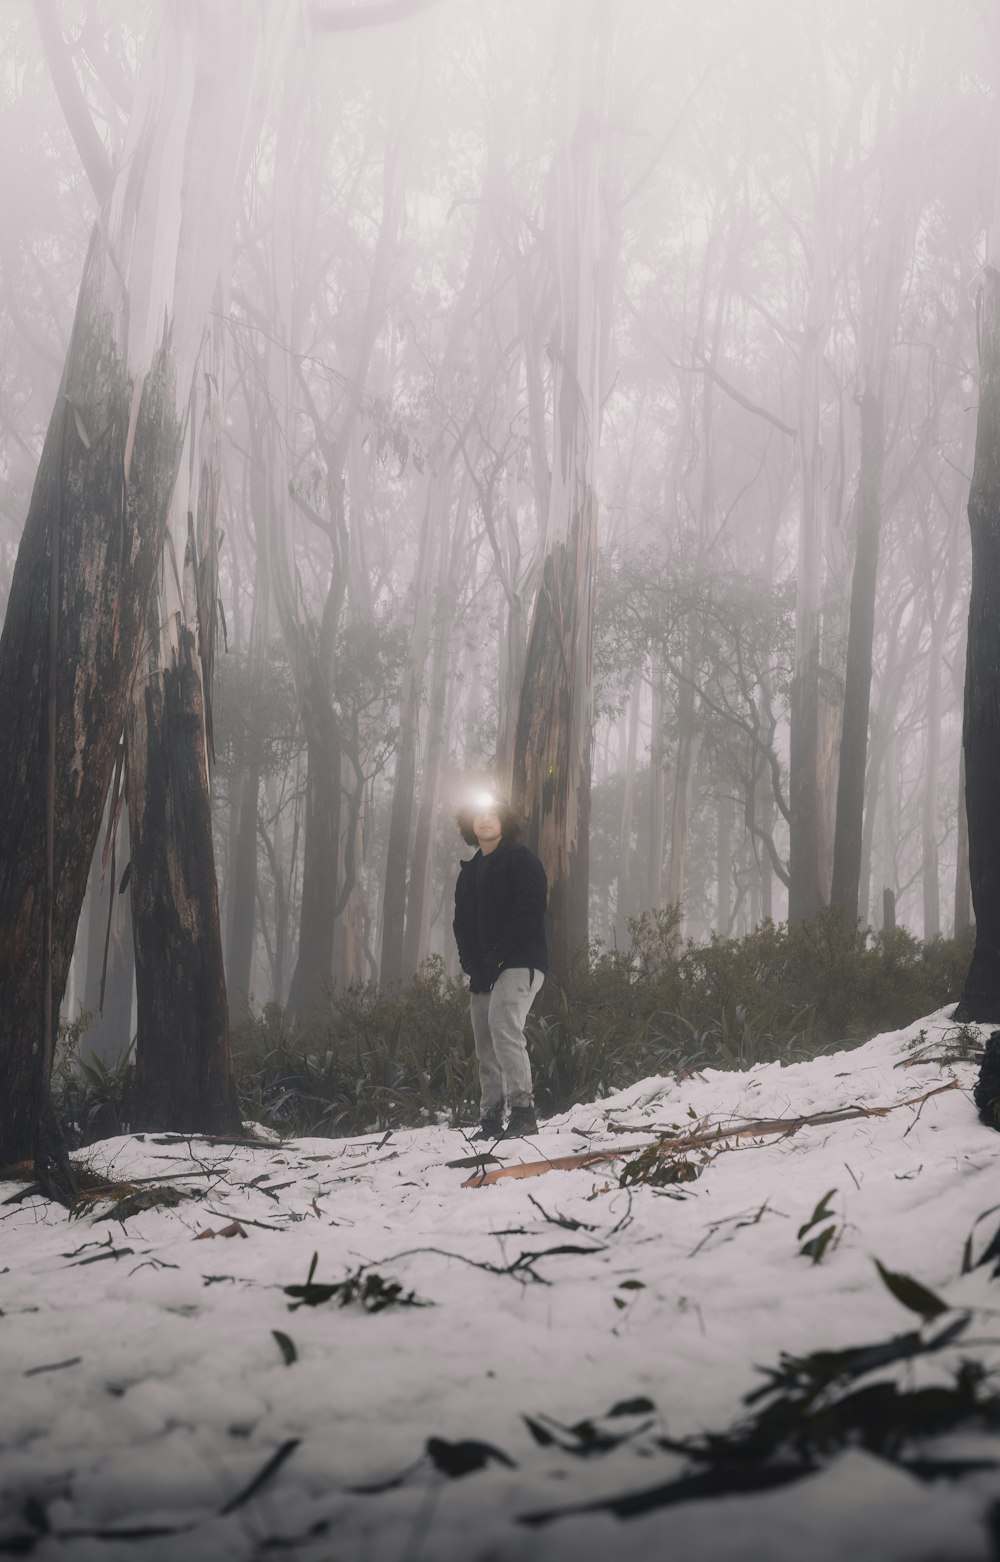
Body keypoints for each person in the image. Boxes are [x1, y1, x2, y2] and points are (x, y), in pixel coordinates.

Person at [453, 793, 547, 1140]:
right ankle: (490, 1119)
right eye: (478, 814)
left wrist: (497, 958)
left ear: (503, 821)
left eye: (493, 813)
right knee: (485, 1042)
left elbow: (529, 909)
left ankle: (524, 1113)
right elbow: (460, 925)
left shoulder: (520, 860)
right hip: (484, 972)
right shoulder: (469, 873)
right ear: (469, 824)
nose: (486, 819)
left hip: (522, 963)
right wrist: (473, 965)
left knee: (503, 1027)